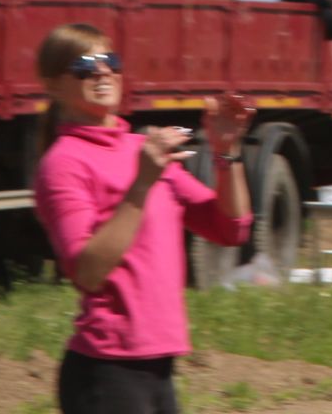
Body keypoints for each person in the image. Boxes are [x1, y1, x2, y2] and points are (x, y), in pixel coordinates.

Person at [33, 23, 252, 414]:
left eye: (110, 61)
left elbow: (230, 228)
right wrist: (141, 185)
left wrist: (227, 152)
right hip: (106, 373)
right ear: (53, 85)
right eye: (84, 65)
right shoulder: (63, 164)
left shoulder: (141, 149)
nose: (102, 72)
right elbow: (87, 271)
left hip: (156, 367)